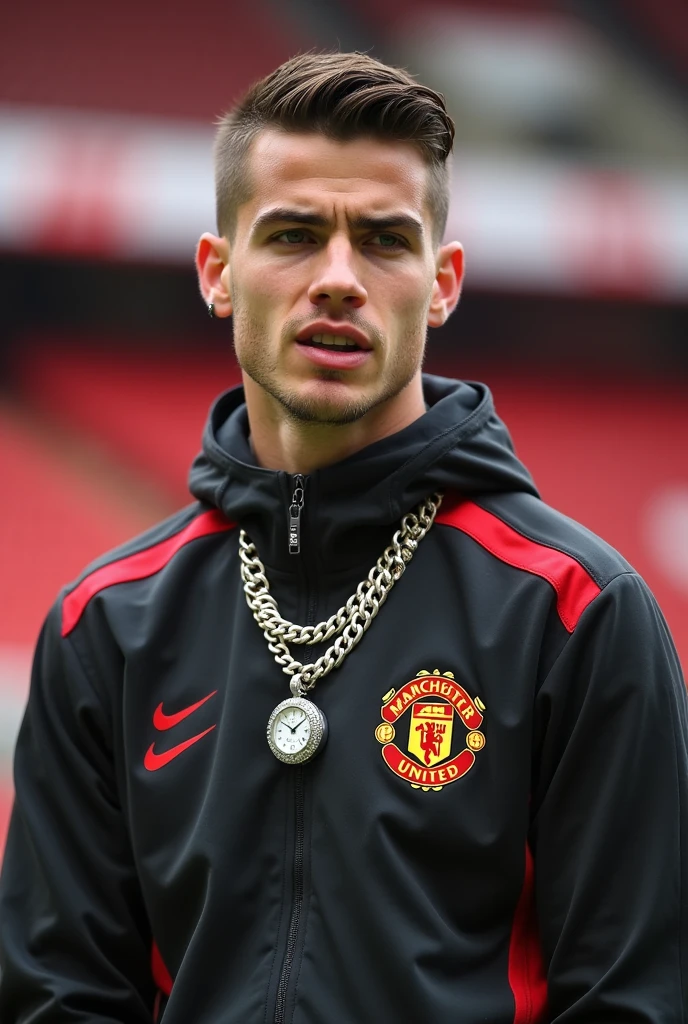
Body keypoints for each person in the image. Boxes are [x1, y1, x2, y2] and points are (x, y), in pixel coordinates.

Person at [0, 51, 686, 1024]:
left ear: (441, 282)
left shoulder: (575, 608)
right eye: (291, 234)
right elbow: (54, 993)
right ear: (218, 273)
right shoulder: (105, 624)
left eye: (382, 240)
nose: (337, 279)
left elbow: (638, 996)